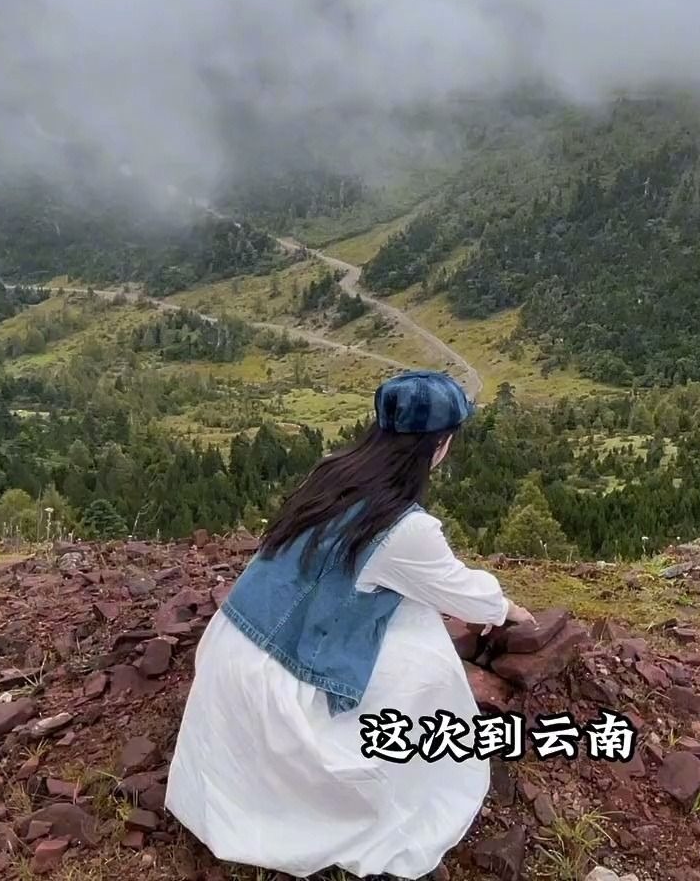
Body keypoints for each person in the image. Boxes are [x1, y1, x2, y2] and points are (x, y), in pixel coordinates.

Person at [166, 369, 536, 879]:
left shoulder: (332, 475)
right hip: (277, 695)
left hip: (234, 653)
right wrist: (508, 609)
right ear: (440, 445)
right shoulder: (403, 528)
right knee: (425, 656)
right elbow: (463, 593)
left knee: (403, 612)